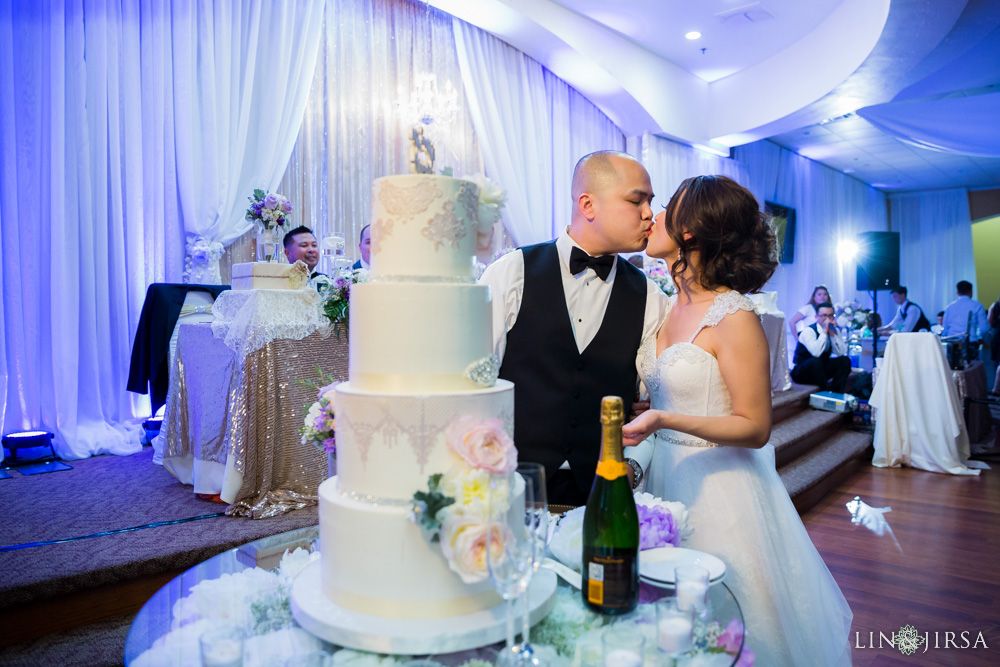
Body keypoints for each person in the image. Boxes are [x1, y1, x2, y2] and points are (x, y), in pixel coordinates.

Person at [622, 174, 852, 667]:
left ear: (689, 232)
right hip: (661, 481)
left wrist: (665, 418)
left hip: (719, 487)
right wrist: (652, 412)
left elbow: (755, 426)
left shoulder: (735, 316)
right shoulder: (666, 306)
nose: (652, 216)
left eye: (664, 209)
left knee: (729, 624)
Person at [479, 150, 668, 505]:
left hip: (600, 493)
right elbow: (476, 383)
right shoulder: (512, 273)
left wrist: (632, 468)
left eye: (650, 202)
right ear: (588, 205)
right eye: (636, 200)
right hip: (509, 487)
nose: (649, 215)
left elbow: (648, 407)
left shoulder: (651, 297)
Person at [790, 301, 852, 392]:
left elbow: (841, 352)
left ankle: (837, 394)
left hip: (820, 369)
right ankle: (825, 394)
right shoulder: (808, 331)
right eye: (824, 315)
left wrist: (833, 335)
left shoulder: (834, 330)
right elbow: (816, 353)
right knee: (815, 361)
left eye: (830, 316)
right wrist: (824, 332)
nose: (827, 319)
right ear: (816, 317)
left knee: (845, 360)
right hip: (802, 371)